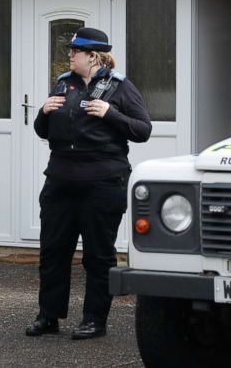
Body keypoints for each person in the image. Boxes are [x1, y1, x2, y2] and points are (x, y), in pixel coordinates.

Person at [26, 27, 152, 340]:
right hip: (60, 182)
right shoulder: (63, 83)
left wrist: (111, 114)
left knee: (98, 255)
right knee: (53, 251)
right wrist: (42, 113)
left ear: (93, 56)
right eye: (70, 50)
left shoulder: (120, 87)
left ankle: (94, 320)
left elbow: (142, 129)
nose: (69, 54)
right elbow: (44, 131)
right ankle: (49, 316)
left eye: (75, 51)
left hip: (103, 182)